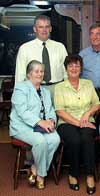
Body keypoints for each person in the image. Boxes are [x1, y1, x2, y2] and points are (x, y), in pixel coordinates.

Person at [9, 60, 60, 190]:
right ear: (29, 74)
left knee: (55, 139)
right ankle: (41, 176)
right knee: (40, 141)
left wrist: (51, 120)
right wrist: (40, 122)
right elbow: (22, 112)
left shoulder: (45, 91)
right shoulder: (20, 88)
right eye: (36, 71)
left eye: (41, 71)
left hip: (40, 126)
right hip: (22, 127)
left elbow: (50, 110)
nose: (40, 74)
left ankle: (35, 168)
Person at [54, 55, 99, 195]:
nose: (74, 68)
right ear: (66, 69)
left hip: (87, 121)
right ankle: (73, 174)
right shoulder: (60, 87)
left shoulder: (88, 83)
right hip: (66, 122)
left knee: (87, 138)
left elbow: (97, 104)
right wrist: (80, 123)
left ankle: (90, 175)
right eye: (71, 66)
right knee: (74, 140)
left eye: (77, 66)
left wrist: (87, 114)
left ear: (81, 68)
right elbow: (60, 111)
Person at [15, 15, 68, 95]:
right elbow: (20, 76)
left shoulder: (60, 47)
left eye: (47, 27)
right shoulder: (25, 48)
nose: (44, 30)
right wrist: (19, 95)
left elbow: (66, 71)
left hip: (58, 89)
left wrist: (68, 90)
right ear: (35, 29)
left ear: (50, 29)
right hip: (34, 90)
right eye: (40, 27)